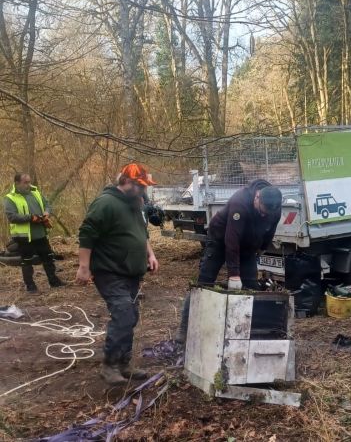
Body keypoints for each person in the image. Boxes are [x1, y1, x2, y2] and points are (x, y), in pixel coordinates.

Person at [76, 163, 159, 386]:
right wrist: (84, 267)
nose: (143, 190)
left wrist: (150, 254)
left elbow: (142, 233)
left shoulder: (136, 203)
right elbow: (86, 234)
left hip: (130, 272)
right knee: (123, 314)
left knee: (131, 315)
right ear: (125, 182)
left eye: (144, 186)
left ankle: (123, 363)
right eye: (139, 186)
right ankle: (109, 365)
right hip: (109, 270)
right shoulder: (106, 203)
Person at [176, 179, 282, 343]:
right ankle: (184, 331)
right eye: (261, 211)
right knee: (203, 284)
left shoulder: (273, 208)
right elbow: (231, 239)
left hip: (247, 247)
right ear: (257, 197)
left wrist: (261, 249)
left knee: (251, 287)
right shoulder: (240, 202)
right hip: (219, 240)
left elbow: (270, 232)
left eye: (266, 214)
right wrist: (233, 274)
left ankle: (247, 330)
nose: (263, 215)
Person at [3, 173, 64, 293]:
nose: (28, 185)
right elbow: (12, 217)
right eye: (25, 182)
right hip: (24, 237)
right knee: (26, 261)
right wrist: (30, 218)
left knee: (48, 257)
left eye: (29, 182)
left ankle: (54, 282)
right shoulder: (10, 198)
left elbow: (47, 204)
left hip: (40, 233)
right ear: (17, 183)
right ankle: (30, 286)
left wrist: (46, 213)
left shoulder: (35, 192)